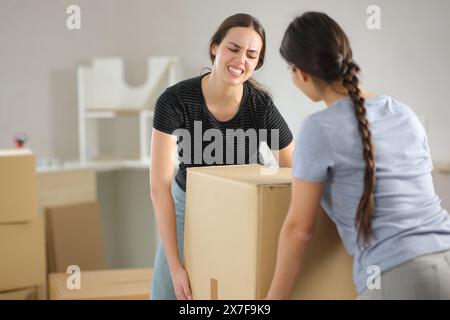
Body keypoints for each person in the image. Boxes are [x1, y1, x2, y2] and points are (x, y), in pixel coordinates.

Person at [266, 11, 450, 300]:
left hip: (397, 274)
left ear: (300, 72)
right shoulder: (403, 112)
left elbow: (300, 229)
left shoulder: (318, 129)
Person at [150, 13, 294, 300]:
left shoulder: (261, 106)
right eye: (233, 48)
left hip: (242, 208)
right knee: (168, 292)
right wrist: (176, 265)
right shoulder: (175, 100)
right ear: (215, 47)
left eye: (252, 55)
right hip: (187, 202)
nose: (241, 60)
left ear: (257, 63)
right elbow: (159, 187)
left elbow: (293, 171)